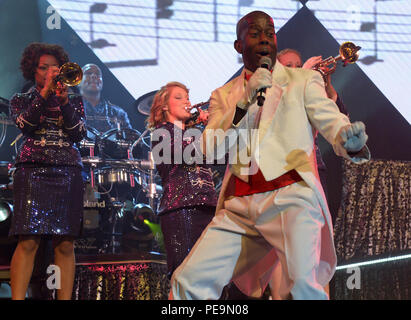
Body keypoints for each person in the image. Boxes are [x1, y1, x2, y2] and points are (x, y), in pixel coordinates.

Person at [171, 11, 370, 300]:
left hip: (292, 198)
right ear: (239, 46)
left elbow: (329, 118)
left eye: (270, 32)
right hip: (241, 206)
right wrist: (246, 99)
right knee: (187, 282)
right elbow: (210, 148)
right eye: (255, 33)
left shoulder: (302, 80)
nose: (265, 39)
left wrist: (346, 138)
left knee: (304, 287)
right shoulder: (224, 95)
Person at [8, 42, 86, 300]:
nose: (51, 72)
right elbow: (27, 125)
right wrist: (44, 94)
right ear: (34, 70)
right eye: (44, 68)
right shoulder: (20, 99)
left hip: (68, 172)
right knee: (28, 241)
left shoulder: (74, 100)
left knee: (65, 244)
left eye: (55, 67)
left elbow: (79, 134)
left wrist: (64, 103)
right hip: (33, 171)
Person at [147, 81, 218, 279]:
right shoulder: (161, 133)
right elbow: (183, 152)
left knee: (211, 275)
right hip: (181, 209)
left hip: (209, 207)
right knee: (186, 274)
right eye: (179, 97)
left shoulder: (193, 134)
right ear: (164, 106)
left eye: (187, 97)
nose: (187, 101)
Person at [277, 48, 349, 203]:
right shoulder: (273, 91)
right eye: (289, 66)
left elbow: (343, 118)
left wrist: (327, 86)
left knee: (318, 223)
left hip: (314, 168)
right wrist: (304, 73)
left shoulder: (309, 90)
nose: (295, 69)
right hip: (286, 169)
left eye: (299, 65)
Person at [79, 63, 131, 134]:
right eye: (88, 73)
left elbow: (131, 140)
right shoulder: (71, 109)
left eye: (98, 74)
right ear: (78, 81)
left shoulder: (119, 113)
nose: (94, 76)